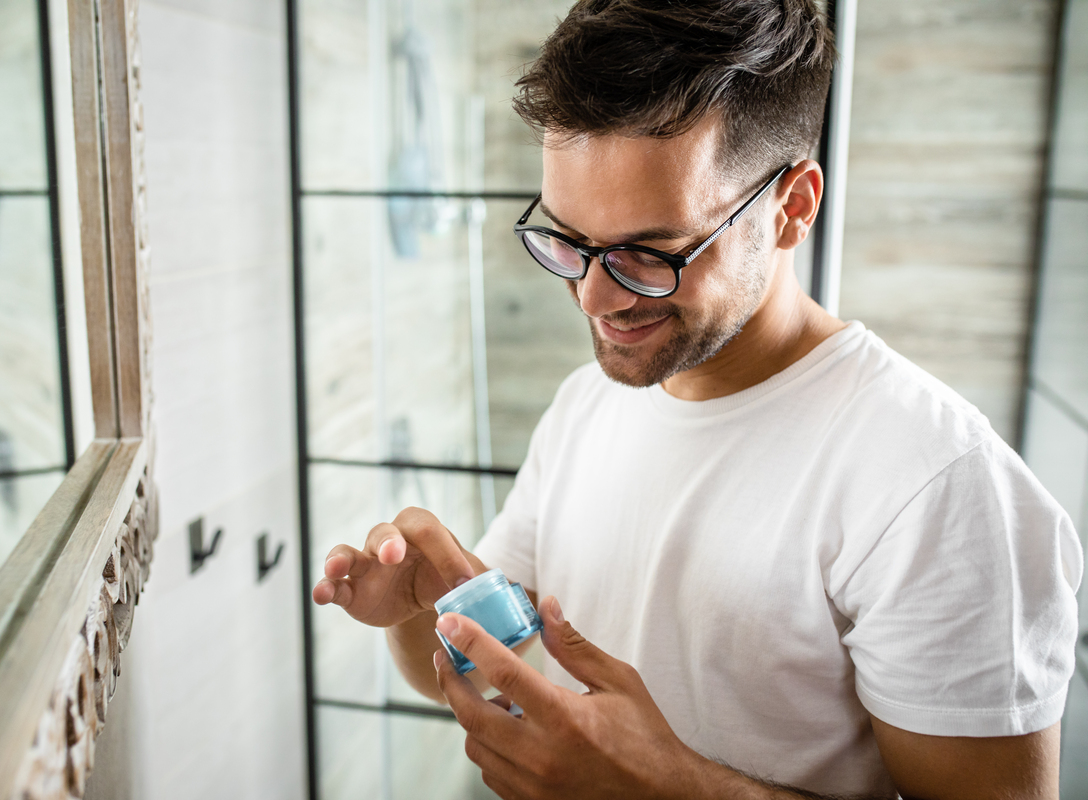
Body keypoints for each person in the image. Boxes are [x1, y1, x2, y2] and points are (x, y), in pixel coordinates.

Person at [312, 0, 1084, 797]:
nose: (593, 299)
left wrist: (662, 787)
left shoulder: (940, 486)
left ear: (792, 208)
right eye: (567, 241)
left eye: (650, 255)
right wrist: (417, 609)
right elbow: (493, 677)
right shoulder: (587, 404)